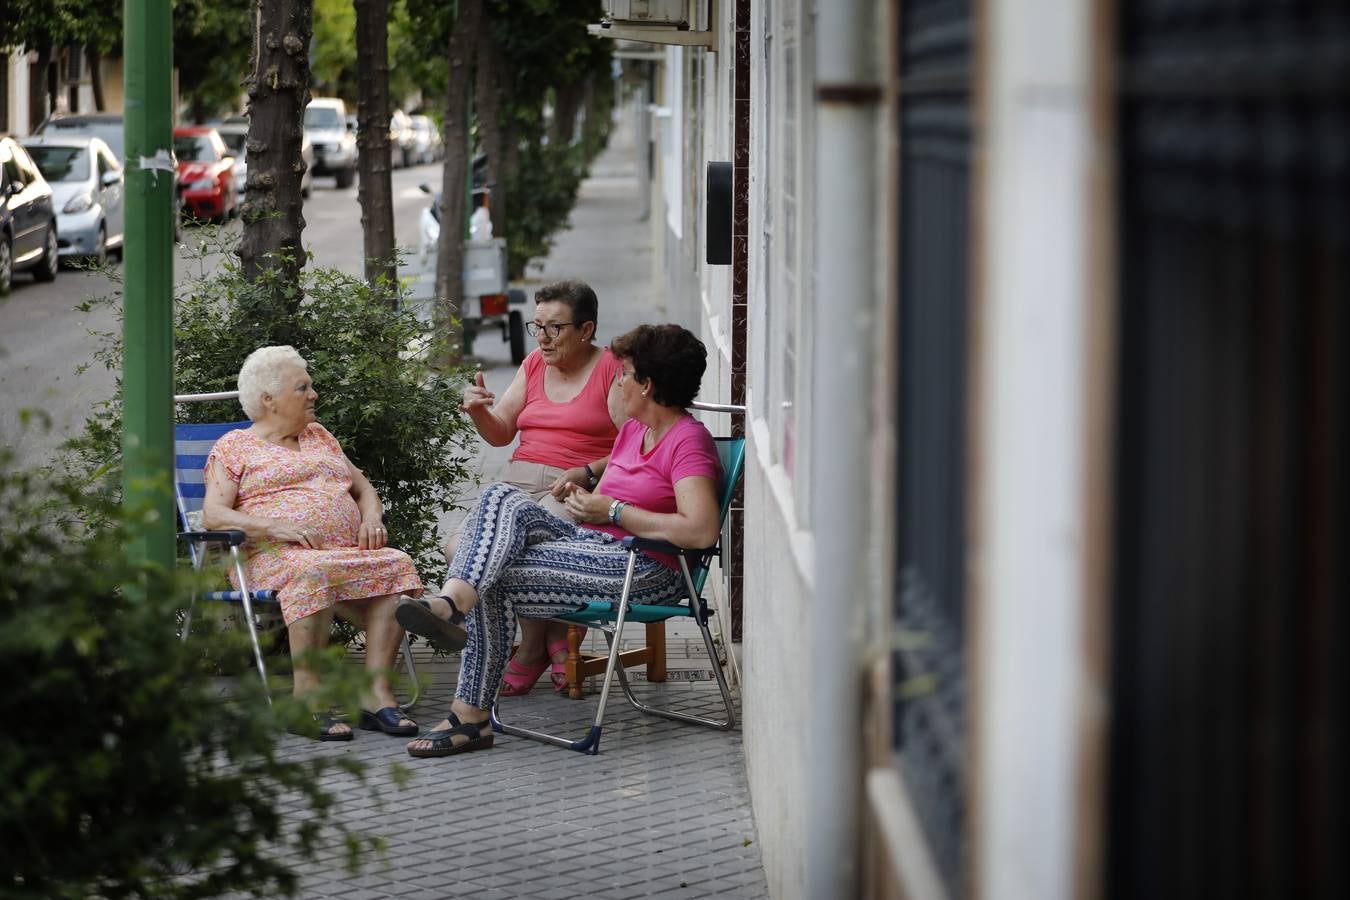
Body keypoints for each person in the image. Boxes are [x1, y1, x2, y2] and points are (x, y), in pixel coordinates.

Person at [403, 324, 722, 758]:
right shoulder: (634, 431)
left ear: (647, 385)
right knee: (502, 497)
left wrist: (611, 511)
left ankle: (469, 711)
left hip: (647, 569)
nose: (616, 380)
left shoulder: (689, 441)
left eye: (623, 373)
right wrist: (586, 489)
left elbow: (701, 530)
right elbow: (618, 483)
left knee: (495, 576)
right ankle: (452, 604)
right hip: (595, 546)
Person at [397, 279, 625, 696]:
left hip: (572, 488)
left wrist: (588, 472)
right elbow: (501, 432)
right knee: (457, 547)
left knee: (521, 551)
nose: (541, 337)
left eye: (553, 328)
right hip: (518, 481)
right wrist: (478, 410)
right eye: (535, 327)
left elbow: (637, 444)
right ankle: (543, 642)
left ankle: (526, 647)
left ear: (587, 329)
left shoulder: (611, 369)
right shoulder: (535, 364)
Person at [202, 346, 424, 741]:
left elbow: (364, 488)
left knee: (396, 563)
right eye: (302, 387)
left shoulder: (319, 435)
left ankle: (376, 696)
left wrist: (371, 516)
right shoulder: (234, 446)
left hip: (340, 554)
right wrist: (273, 526)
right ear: (268, 400)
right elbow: (214, 516)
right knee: (313, 570)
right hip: (272, 556)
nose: (314, 395)